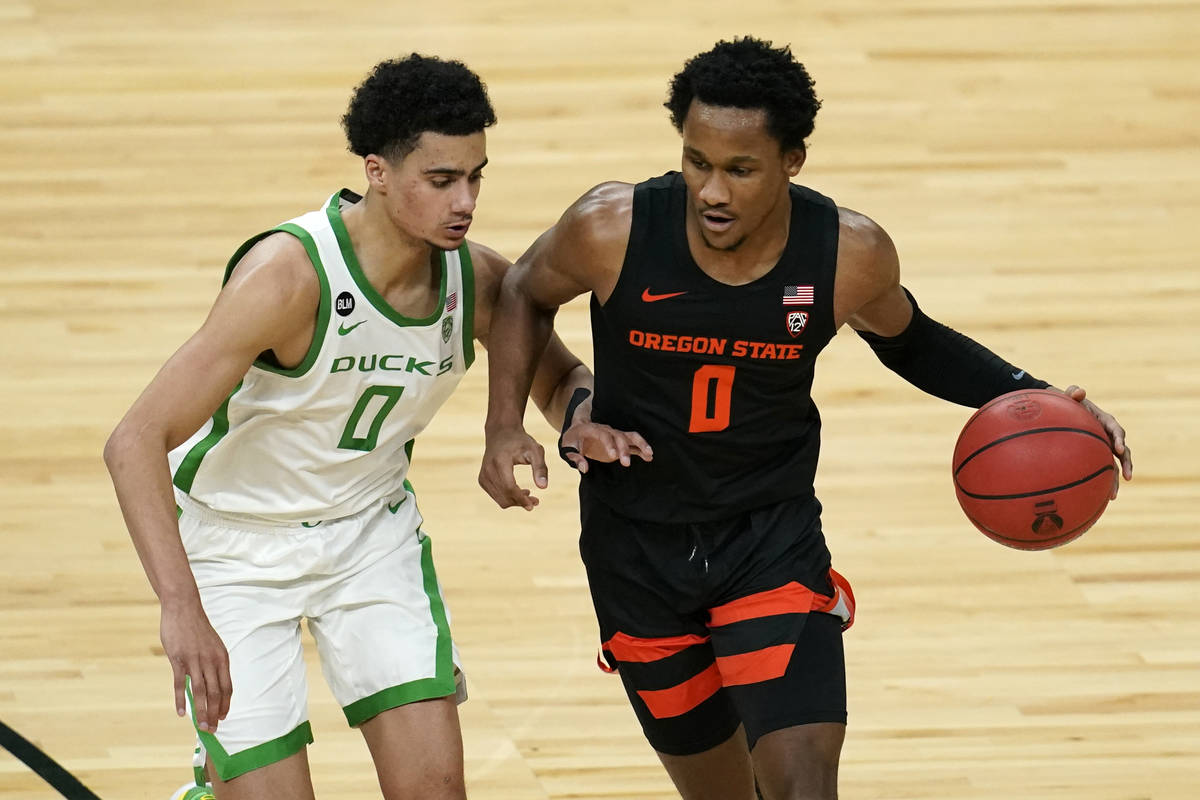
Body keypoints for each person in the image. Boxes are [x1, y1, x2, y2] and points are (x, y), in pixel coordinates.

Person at [478, 37, 1134, 800]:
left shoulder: (846, 253)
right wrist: (513, 424)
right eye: (696, 162)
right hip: (636, 553)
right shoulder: (611, 228)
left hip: (768, 537)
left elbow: (913, 341)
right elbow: (523, 293)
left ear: (793, 160)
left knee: (802, 789)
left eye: (740, 169)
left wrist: (1045, 399)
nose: (711, 191)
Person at [104, 53, 593, 800]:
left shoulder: (478, 281)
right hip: (236, 547)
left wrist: (576, 422)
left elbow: (559, 378)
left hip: (370, 536)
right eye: (441, 181)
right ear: (377, 171)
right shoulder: (289, 277)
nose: (465, 201)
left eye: (476, 177)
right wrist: (182, 608)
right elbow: (133, 442)